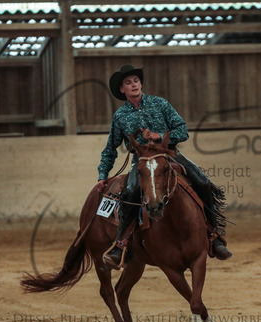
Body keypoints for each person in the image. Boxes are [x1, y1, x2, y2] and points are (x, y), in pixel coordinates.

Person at [98, 64, 232, 270]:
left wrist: (158, 136)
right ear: (122, 89)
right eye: (128, 83)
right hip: (142, 160)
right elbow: (110, 149)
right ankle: (121, 243)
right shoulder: (120, 116)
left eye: (136, 81)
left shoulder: (160, 103)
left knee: (203, 182)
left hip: (169, 154)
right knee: (131, 191)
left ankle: (214, 236)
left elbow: (183, 130)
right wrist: (102, 175)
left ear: (141, 84)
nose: (134, 85)